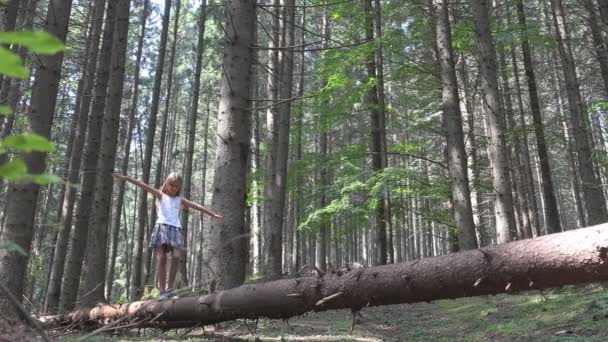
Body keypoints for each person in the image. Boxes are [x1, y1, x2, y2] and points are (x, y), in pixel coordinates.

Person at [113, 172, 223, 298]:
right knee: (162, 258)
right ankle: (163, 291)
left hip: (175, 229)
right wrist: (126, 178)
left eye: (176, 186)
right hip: (162, 227)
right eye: (171, 185)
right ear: (166, 184)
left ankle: (170, 288)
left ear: (179, 188)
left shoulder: (179, 199)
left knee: (176, 256)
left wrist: (213, 215)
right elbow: (142, 185)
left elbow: (196, 206)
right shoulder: (161, 195)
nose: (173, 188)